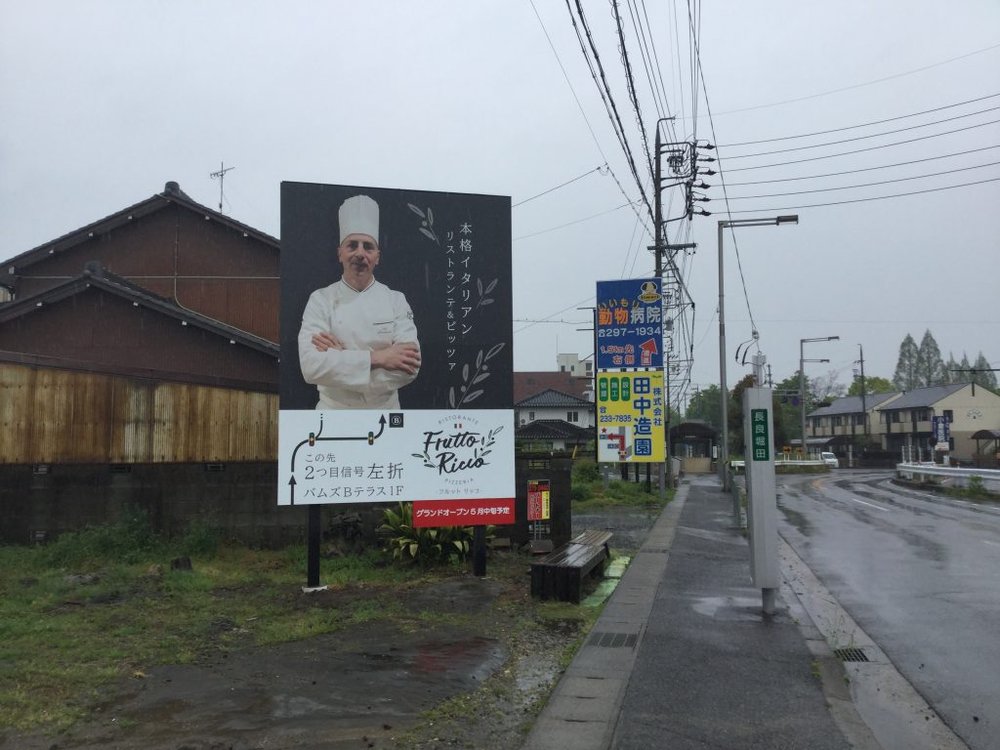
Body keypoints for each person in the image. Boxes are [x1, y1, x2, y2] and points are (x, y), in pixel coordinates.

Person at [298, 194, 421, 409]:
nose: (360, 253)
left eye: (368, 246)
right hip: (334, 415)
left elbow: (410, 368)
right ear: (340, 253)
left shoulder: (396, 301)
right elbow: (310, 367)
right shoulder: (320, 300)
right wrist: (379, 358)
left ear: (377, 257)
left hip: (385, 414)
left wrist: (341, 359)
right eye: (352, 245)